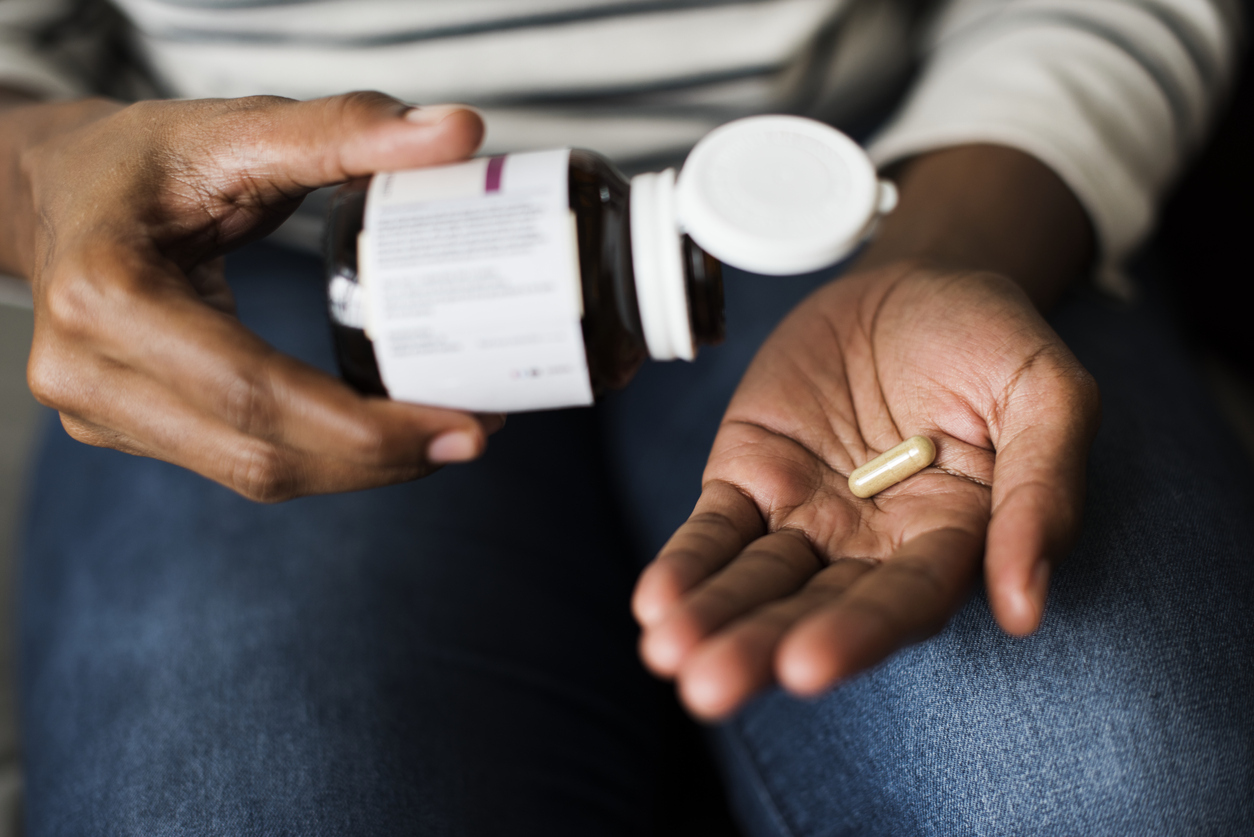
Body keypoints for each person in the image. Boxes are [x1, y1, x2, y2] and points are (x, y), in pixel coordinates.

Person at [1, 0, 1251, 833]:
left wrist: (955, 244)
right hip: (267, 236)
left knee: (1125, 788)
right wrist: (46, 183)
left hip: (893, 192)